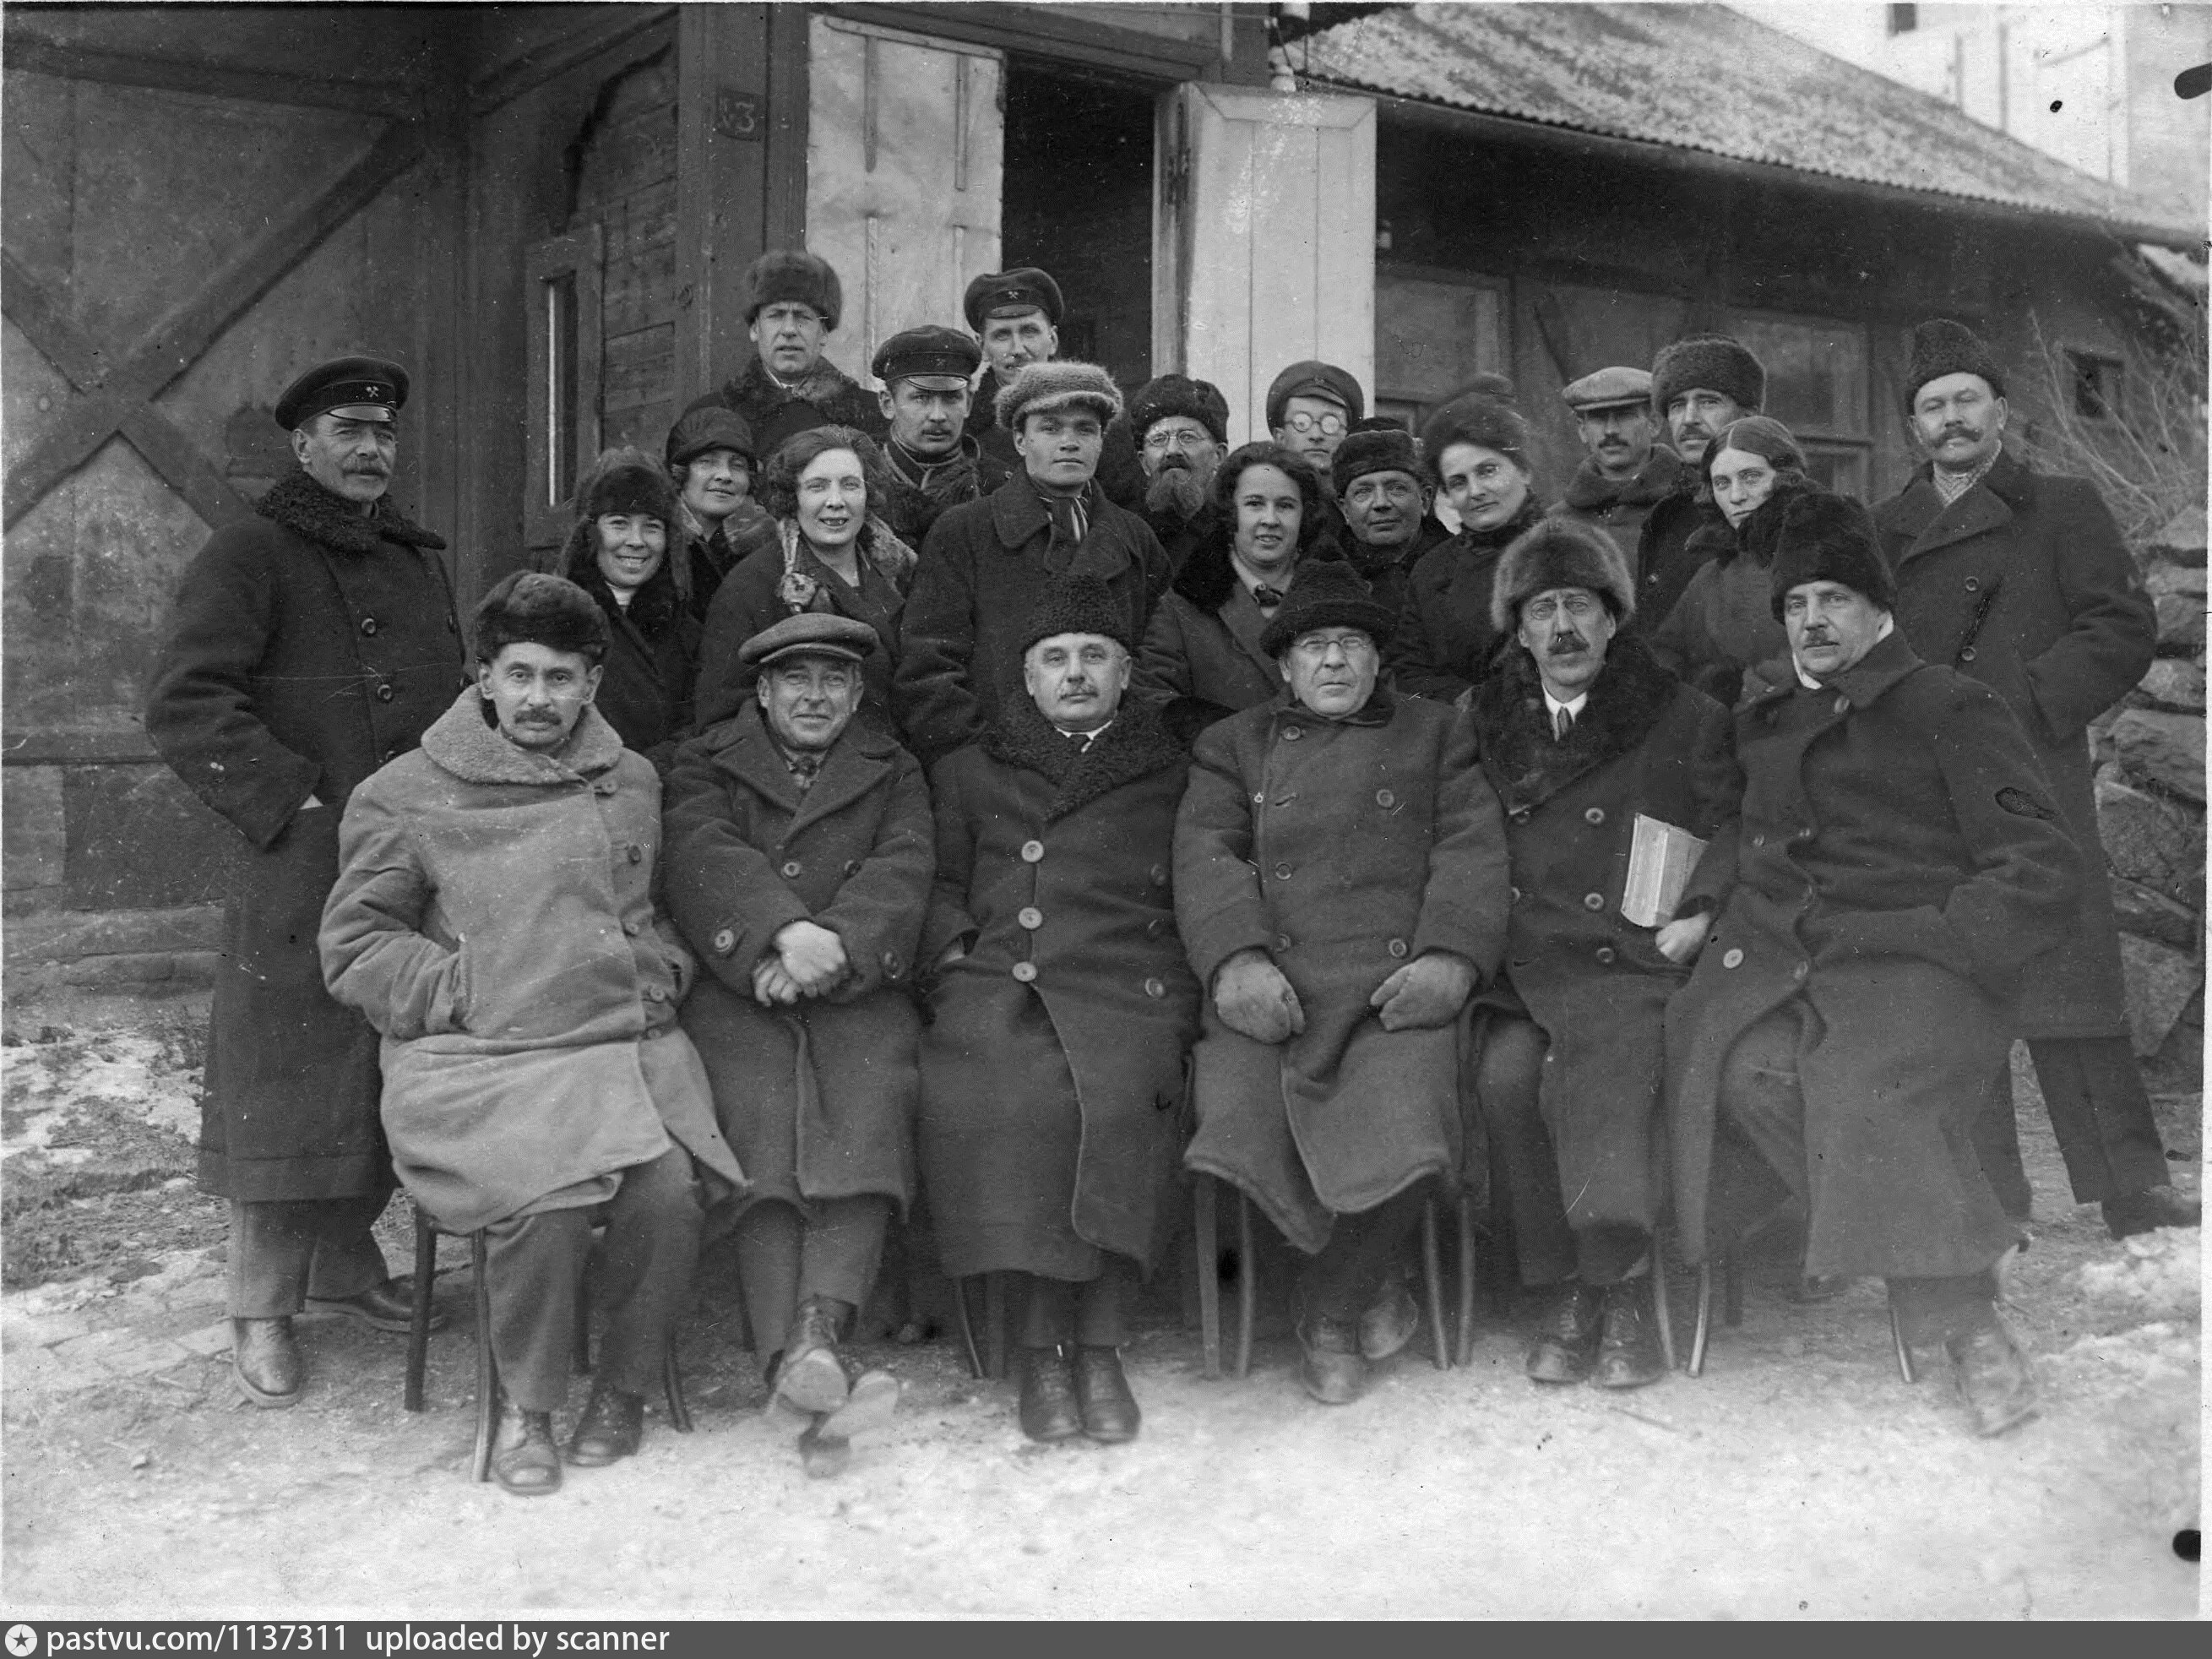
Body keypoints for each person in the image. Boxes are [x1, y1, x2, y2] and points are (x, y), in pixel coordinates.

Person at [1665, 494, 2081, 1438]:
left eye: (1835, 599)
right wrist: (1701, 900)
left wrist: (1944, 937)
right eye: (1796, 603)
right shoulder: (1767, 719)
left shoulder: (1952, 705)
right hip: (1787, 959)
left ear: (1880, 608)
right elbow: (1740, 827)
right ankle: (1938, 1248)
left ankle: (1965, 1321)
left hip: (1919, 967)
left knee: (1865, 1092)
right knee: (1741, 1072)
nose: (1812, 620)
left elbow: (2040, 863)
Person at [320, 572, 745, 1494]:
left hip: (614, 1046)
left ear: (593, 683)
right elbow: (355, 946)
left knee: (669, 1192)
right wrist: (471, 986)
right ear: (484, 677)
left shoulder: (631, 781)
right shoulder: (405, 791)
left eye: (560, 677)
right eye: (518, 675)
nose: (538, 698)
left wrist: (659, 971)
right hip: (478, 1056)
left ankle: (624, 1389)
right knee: (546, 1199)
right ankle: (528, 1405)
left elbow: (656, 913)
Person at [145, 355, 464, 1411]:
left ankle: (341, 1265)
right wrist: (296, 799)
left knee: (374, 1066)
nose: (371, 449)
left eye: (384, 432)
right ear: (303, 445)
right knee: (285, 1080)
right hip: (302, 857)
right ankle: (260, 1306)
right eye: (348, 431)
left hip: (409, 857)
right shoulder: (251, 550)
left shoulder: (414, 558)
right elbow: (186, 699)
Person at [1872, 318, 2195, 1238]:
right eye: (1932, 407)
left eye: (1966, 400)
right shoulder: (1885, 529)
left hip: (2034, 772)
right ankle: (1989, 1195)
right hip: (1929, 781)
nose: (1951, 418)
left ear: (2001, 411)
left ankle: (2130, 1186)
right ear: (1913, 427)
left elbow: (2121, 626)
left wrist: (2029, 700)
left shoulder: (2062, 505)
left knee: (2073, 981)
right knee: (1960, 978)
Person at [1177, 560, 1510, 1405]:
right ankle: (1366, 1277)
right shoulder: (1233, 744)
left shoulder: (1437, 732)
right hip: (1277, 987)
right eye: (1313, 646)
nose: (1332, 661)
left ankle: (1330, 1302)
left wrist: (1450, 957)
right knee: (1240, 1114)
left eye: (1351, 644)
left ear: (1377, 659)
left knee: (1410, 1115)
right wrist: (1237, 960)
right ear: (1284, 666)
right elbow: (1207, 855)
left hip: (1395, 986)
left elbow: (1470, 848)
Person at [918, 576, 1198, 1444]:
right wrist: (955, 959)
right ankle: (1044, 1349)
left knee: (1117, 1100)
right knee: (1021, 1097)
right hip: (1002, 983)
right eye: (1055, 658)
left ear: (1125, 674)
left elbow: (1198, 890)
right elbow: (938, 886)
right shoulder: (971, 769)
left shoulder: (1170, 770)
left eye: (1094, 656)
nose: (1075, 674)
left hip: (1129, 987)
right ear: (1027, 678)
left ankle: (1100, 1344)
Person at [1466, 519, 1736, 1390]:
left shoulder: (1683, 714)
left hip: (1634, 957)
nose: (1563, 629)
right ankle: (1564, 1284)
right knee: (1506, 1077)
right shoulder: (1482, 718)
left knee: (1608, 1070)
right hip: (1526, 963)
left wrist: (1701, 908)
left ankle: (1617, 1288)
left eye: (1579, 606)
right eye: (1542, 611)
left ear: (1613, 618)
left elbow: (1738, 824)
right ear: (1519, 632)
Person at [664, 611, 932, 1477]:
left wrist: (834, 948)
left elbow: (904, 867)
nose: (814, 696)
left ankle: (813, 1336)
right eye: (795, 680)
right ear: (763, 690)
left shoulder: (893, 766)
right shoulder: (705, 760)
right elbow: (701, 854)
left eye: (833, 680)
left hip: (854, 985)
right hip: (743, 983)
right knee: (758, 1119)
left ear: (855, 694)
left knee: (872, 1101)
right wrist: (779, 936)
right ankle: (802, 1355)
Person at [895, 361, 1171, 767]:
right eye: (1050, 428)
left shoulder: (1135, 538)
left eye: (1085, 429)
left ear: (1101, 441)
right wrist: (979, 765)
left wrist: (1124, 751)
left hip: (1114, 769)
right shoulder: (964, 532)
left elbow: (1160, 661)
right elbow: (929, 668)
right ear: (1021, 441)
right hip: (999, 772)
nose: (1069, 443)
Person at [691, 427, 916, 738]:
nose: (836, 501)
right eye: (817, 487)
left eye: (850, 485)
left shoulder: (902, 571)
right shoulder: (752, 584)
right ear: (792, 497)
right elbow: (722, 717)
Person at [1133, 441, 1340, 742]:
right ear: (1231, 513)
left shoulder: (1338, 597)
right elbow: (1153, 700)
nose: (1270, 520)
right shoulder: (1182, 606)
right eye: (1254, 504)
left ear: (1304, 515)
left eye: (1285, 506)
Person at [1389, 393, 1547, 703]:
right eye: (1459, 482)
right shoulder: (1432, 571)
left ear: (1524, 471)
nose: (1476, 491)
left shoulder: (1571, 549)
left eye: (1488, 471)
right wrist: (1474, 703)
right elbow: (1410, 672)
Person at [549, 448, 699, 774]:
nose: (636, 541)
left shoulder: (685, 632)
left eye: (652, 527)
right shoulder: (552, 619)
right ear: (590, 533)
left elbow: (698, 727)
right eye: (619, 524)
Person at [1648, 416, 1813, 708]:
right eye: (1722, 483)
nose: (1736, 496)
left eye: (1751, 477)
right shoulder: (1711, 576)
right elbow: (1666, 654)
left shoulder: (1822, 559)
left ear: (1786, 479)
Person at [1635, 333, 1764, 629]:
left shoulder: (1777, 508)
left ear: (1749, 415)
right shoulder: (1665, 516)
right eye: (1677, 405)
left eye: (1708, 401)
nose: (1689, 418)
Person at [719, 249, 884, 459]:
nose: (789, 330)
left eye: (803, 317)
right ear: (755, 329)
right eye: (776, 316)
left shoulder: (870, 416)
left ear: (823, 332)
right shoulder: (720, 414)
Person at [871, 324, 1009, 547]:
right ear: (887, 403)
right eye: (921, 398)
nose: (938, 416)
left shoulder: (999, 487)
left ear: (968, 403)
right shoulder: (860, 481)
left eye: (951, 398)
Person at [1553, 366, 1684, 563]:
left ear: (1654, 424)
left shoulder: (1689, 505)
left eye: (1624, 415)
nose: (1610, 430)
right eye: (1598, 418)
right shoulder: (1556, 524)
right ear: (1582, 430)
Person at [1332, 422, 1449, 622]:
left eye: (1396, 488)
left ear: (1425, 499)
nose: (1381, 503)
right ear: (1345, 510)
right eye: (1363, 492)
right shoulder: (1327, 576)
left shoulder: (1459, 566)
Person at [665, 396, 769, 622]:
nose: (725, 475)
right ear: (681, 473)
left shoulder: (769, 545)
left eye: (737, 465)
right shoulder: (657, 540)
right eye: (707, 462)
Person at [1125, 373, 1231, 576]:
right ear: (1143, 462)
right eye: (1159, 439)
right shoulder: (1128, 537)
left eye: (1187, 437)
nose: (1172, 450)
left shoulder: (1235, 532)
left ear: (1219, 456)